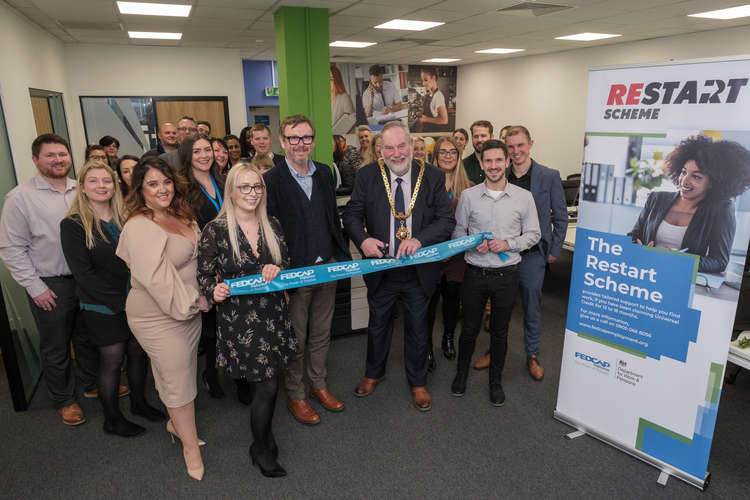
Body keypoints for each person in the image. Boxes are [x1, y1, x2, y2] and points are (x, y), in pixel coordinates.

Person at [342, 120, 455, 412]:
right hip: (381, 267)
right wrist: (363, 240)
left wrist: (419, 239)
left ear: (411, 144)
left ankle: (418, 382)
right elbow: (352, 216)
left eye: (400, 146)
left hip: (419, 269)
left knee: (418, 327)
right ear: (380, 150)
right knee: (378, 323)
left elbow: (446, 221)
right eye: (388, 147)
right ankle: (373, 373)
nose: (396, 153)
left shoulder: (431, 175)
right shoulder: (367, 175)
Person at [198, 162, 295, 477]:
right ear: (232, 191)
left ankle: (265, 434)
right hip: (241, 322)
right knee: (265, 386)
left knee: (272, 381)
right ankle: (260, 447)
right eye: (245, 187)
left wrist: (277, 268)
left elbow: (286, 261)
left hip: (273, 314)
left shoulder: (273, 223)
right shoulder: (215, 229)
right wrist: (215, 290)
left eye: (257, 187)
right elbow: (203, 274)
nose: (253, 193)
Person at [116, 156, 209, 481]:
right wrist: (195, 301)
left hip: (189, 310)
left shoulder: (179, 213)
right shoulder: (140, 225)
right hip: (158, 314)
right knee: (178, 379)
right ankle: (190, 449)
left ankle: (175, 424)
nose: (162, 189)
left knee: (175, 373)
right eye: (152, 184)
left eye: (166, 181)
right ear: (139, 190)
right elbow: (156, 278)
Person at [60, 160, 165, 437]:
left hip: (137, 298)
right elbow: (83, 274)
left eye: (106, 180)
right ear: (82, 188)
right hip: (101, 305)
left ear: (115, 184)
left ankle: (140, 403)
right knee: (112, 358)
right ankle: (112, 418)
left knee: (138, 352)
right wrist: (121, 303)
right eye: (93, 181)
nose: (101, 186)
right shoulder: (72, 225)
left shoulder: (126, 216)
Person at [0, 134, 99, 426]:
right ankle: (65, 399)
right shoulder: (20, 198)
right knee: (56, 345)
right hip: (50, 283)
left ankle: (91, 384)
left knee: (87, 337)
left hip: (84, 280)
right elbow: (11, 248)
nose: (58, 160)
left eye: (62, 154)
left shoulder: (80, 189)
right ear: (36, 160)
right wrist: (35, 288)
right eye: (50, 155)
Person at [265, 114, 351, 425]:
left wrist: (340, 258)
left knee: (321, 334)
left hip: (326, 268)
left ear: (313, 141)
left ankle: (319, 385)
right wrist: (282, 278)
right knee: (296, 339)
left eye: (306, 138)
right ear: (282, 142)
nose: (301, 144)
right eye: (293, 138)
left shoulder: (326, 173)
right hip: (294, 274)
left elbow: (331, 218)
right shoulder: (271, 181)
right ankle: (297, 394)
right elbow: (271, 232)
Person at [451, 139, 541, 406]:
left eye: (498, 161)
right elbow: (458, 232)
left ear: (507, 162)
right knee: (468, 329)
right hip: (475, 273)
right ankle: (461, 375)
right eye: (487, 161)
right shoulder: (468, 196)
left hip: (506, 274)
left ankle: (495, 381)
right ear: (480, 163)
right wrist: (470, 242)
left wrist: (509, 244)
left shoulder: (524, 198)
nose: (493, 166)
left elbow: (534, 234)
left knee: (500, 332)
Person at [473, 126, 568, 380]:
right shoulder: (499, 175)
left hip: (531, 255)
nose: (516, 151)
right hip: (500, 254)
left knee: (531, 305)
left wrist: (554, 250)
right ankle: (494, 350)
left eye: (520, 145)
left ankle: (532, 354)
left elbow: (560, 217)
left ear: (530, 144)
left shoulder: (548, 176)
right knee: (500, 307)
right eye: (511, 146)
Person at [629, 134, 750, 273]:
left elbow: (719, 261)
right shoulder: (656, 199)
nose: (685, 181)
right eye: (683, 172)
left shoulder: (720, 210)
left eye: (696, 176)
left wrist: (681, 261)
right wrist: (637, 248)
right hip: (645, 272)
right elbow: (634, 236)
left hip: (680, 278)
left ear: (712, 183)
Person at [179, 135, 226, 398]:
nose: (204, 155)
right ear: (188, 156)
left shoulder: (222, 180)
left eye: (207, 149)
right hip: (204, 264)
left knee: (233, 321)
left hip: (231, 262)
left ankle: (237, 374)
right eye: (197, 151)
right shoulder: (183, 188)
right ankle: (211, 373)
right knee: (211, 328)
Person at [426, 136, 473, 367]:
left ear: (458, 156)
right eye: (442, 152)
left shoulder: (469, 188)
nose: (447, 156)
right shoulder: (424, 185)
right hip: (430, 255)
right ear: (436, 156)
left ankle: (447, 338)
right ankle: (425, 346)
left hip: (456, 257)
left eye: (452, 152)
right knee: (428, 303)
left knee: (452, 301)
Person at [416, 67, 449, 132]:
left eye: (426, 80)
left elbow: (444, 120)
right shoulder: (430, 94)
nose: (423, 83)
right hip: (427, 133)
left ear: (433, 78)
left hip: (434, 135)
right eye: (422, 80)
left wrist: (426, 119)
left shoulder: (438, 96)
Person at [463, 120, 493, 184]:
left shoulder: (500, 163)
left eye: (483, 136)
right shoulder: (463, 165)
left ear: (491, 137)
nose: (479, 140)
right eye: (476, 136)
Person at [331, 63, 356, 135]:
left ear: (336, 80)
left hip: (340, 138)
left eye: (331, 79)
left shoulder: (344, 98)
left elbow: (351, 120)